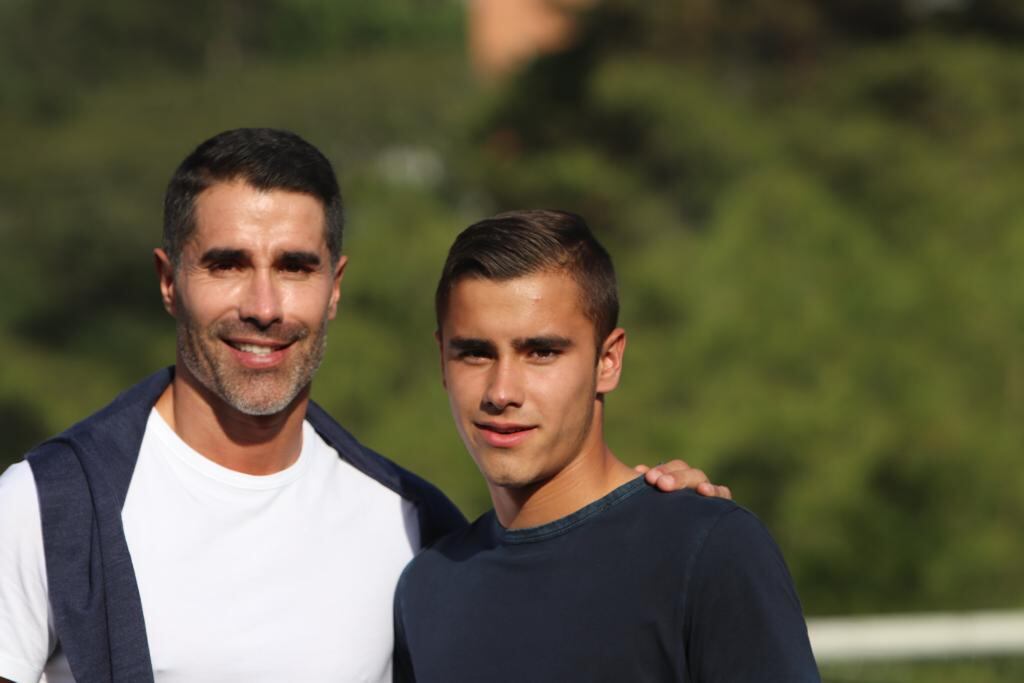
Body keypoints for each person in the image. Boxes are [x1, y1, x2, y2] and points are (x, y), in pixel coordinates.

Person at [0, 129, 724, 683]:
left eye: (295, 266)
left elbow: (552, 586)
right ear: (168, 279)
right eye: (227, 264)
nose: (263, 305)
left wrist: (659, 519)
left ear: (335, 285)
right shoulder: (47, 507)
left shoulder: (414, 525)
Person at [393, 210, 820, 682]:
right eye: (475, 352)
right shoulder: (427, 589)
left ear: (608, 360)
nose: (501, 391)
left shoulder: (705, 550)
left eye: (541, 352)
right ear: (441, 360)